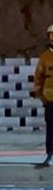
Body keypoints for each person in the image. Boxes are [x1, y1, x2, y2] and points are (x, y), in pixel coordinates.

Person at [33, 24, 53, 169]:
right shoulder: (45, 57)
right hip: (50, 97)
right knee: (51, 128)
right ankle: (50, 154)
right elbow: (38, 78)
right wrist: (41, 96)